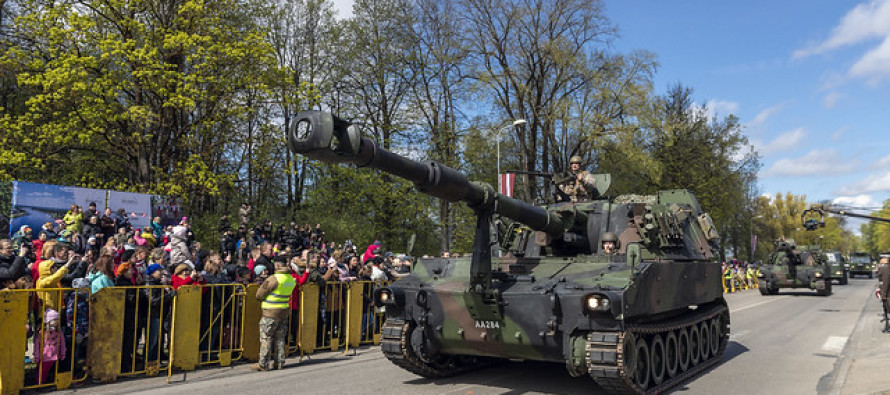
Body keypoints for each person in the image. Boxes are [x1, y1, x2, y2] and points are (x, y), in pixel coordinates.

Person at [253, 256, 296, 371]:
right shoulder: (290, 279)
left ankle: (263, 363)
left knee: (266, 337)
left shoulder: (273, 279)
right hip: (283, 311)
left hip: (270, 312)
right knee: (280, 338)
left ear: (277, 265)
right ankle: (279, 362)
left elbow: (259, 295)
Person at [878, 256, 890, 332]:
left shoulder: (885, 269)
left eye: (882, 263)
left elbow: (885, 282)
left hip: (887, 294)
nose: (881, 264)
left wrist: (884, 294)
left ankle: (887, 327)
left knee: (887, 309)